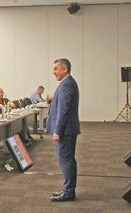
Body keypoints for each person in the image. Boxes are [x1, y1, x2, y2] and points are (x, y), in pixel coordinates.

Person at [46, 58, 80, 202]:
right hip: (67, 130)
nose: (53, 72)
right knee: (66, 160)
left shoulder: (67, 84)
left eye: (56, 69)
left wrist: (57, 131)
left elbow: (64, 111)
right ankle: (67, 189)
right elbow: (62, 103)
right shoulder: (67, 83)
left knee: (66, 160)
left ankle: (68, 192)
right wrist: (52, 101)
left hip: (65, 131)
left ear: (64, 69)